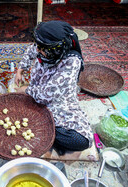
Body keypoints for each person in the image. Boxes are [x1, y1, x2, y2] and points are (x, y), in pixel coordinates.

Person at [15, 21, 93, 154]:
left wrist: (26, 90)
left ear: (55, 49)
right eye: (38, 46)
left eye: (41, 48)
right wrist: (20, 69)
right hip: (38, 92)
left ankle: (43, 127)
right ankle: (42, 126)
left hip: (57, 101)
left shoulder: (71, 62)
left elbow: (47, 95)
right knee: (26, 115)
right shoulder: (45, 47)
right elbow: (31, 50)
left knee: (82, 141)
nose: (38, 50)